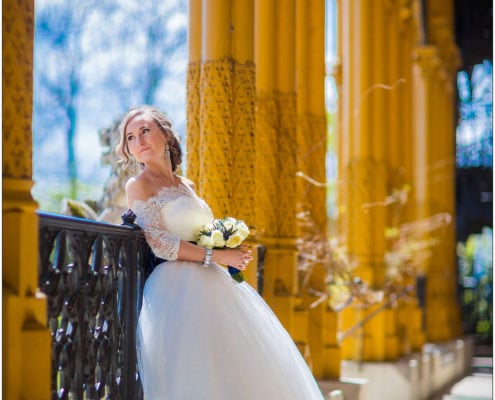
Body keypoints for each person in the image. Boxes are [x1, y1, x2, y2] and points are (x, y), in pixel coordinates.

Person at [116, 105, 325, 400]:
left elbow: (195, 230)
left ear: (165, 134)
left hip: (215, 284)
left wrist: (223, 244)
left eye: (145, 131)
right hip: (176, 290)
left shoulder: (186, 185)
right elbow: (159, 242)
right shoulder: (138, 185)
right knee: (195, 371)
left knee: (239, 367)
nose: (139, 140)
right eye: (131, 138)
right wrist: (218, 257)